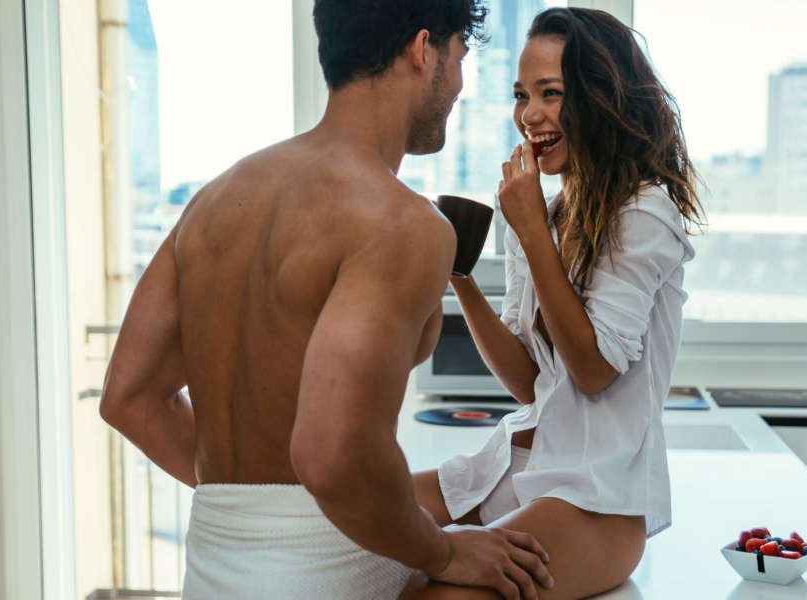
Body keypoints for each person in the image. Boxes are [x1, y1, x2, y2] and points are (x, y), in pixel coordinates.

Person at [98, 1, 553, 599]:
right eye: (460, 57)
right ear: (423, 51)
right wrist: (442, 551)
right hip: (330, 577)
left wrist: (257, 516)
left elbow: (128, 397)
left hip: (210, 574)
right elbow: (331, 455)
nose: (461, 86)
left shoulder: (214, 201)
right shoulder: (403, 222)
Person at [405, 7, 704, 599]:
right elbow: (528, 383)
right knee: (337, 532)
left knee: (437, 595)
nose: (529, 115)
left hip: (594, 502)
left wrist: (532, 231)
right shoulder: (541, 216)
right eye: (522, 95)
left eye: (551, 93)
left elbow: (592, 372)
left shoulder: (644, 213)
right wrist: (461, 276)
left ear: (600, 98)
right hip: (511, 468)